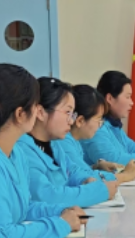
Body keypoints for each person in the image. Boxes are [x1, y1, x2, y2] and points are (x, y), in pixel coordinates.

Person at [0, 64, 84, 238]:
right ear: (20, 114)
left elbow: (23, 208)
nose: (38, 111)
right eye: (35, 106)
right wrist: (61, 224)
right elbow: (2, 236)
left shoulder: (16, 151)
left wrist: (60, 211)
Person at [18, 77, 118, 208]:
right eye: (67, 112)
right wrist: (98, 191)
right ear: (41, 113)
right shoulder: (23, 150)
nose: (71, 121)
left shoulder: (54, 144)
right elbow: (47, 196)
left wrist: (86, 179)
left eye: (72, 114)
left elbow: (73, 171)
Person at [60, 84, 135, 183]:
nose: (100, 125)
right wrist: (125, 175)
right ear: (80, 121)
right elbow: (87, 179)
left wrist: (96, 166)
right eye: (98, 119)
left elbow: (76, 171)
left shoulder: (74, 141)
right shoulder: (64, 142)